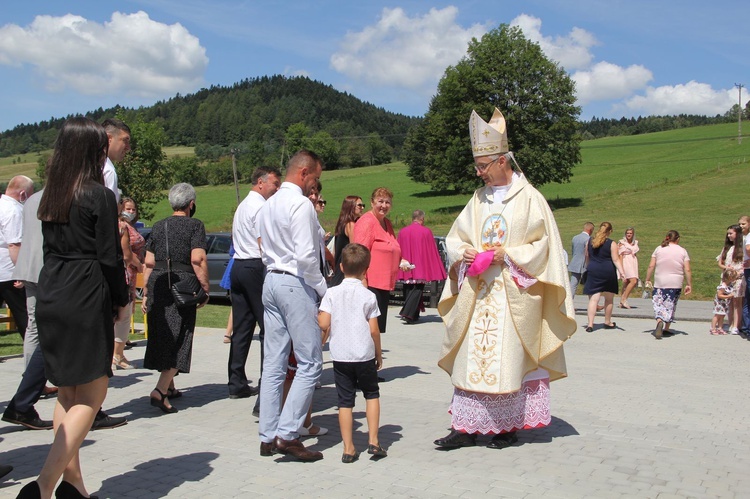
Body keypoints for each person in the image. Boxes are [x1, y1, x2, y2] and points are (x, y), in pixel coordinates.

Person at [434, 107, 576, 450]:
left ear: (502, 161)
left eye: (483, 166)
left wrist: (507, 255)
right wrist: (462, 253)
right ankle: (465, 427)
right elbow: (456, 237)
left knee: (508, 361)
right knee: (471, 359)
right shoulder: (478, 199)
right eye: (478, 166)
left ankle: (505, 427)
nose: (479, 173)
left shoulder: (530, 199)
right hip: (478, 294)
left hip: (513, 296)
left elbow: (545, 246)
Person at [17, 117, 129, 498]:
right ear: (91, 151)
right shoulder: (98, 194)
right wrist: (120, 299)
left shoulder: (52, 194)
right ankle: (43, 485)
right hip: (85, 290)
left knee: (67, 395)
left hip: (52, 288)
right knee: (92, 396)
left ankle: (73, 484)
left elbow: (51, 249)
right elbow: (110, 257)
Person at [256, 150, 325, 462]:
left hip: (270, 278)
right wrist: (324, 291)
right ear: (304, 172)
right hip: (294, 281)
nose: (315, 186)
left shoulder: (268, 205)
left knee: (274, 362)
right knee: (311, 362)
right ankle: (288, 433)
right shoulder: (300, 204)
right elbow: (307, 256)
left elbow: (263, 247)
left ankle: (268, 434)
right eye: (315, 179)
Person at [141, 183, 209, 413]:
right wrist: (205, 288)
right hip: (182, 284)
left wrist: (145, 292)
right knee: (181, 335)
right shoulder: (195, 225)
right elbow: (198, 260)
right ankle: (160, 390)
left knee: (163, 333)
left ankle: (170, 387)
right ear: (191, 204)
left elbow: (148, 262)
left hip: (158, 282)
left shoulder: (159, 226)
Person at [319, 243, 386, 463]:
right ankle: (374, 441)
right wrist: (378, 354)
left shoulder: (331, 293)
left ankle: (348, 447)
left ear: (340, 266)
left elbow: (324, 323)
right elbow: (374, 330)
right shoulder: (368, 296)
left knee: (345, 401)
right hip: (364, 353)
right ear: (366, 269)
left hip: (340, 355)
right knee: (371, 394)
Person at [228, 166, 281, 401]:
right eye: (274, 184)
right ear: (261, 182)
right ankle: (266, 384)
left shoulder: (242, 206)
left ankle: (236, 382)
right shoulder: (260, 207)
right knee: (268, 327)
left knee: (242, 328)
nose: (277, 188)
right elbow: (263, 242)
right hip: (254, 265)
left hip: (239, 265)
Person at [353, 187, 408, 334]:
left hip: (384, 284)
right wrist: (362, 279)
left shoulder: (387, 223)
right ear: (372, 202)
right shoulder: (367, 222)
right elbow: (359, 253)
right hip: (370, 284)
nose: (384, 205)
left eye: (387, 202)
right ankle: (369, 356)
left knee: (377, 328)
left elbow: (392, 247)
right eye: (380, 201)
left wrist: (401, 261)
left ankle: (373, 354)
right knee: (369, 329)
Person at [396, 210, 446, 323]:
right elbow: (431, 250)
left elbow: (398, 248)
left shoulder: (402, 231)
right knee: (417, 289)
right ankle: (407, 313)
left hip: (405, 265)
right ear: (422, 219)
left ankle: (414, 315)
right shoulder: (426, 231)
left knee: (408, 289)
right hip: (420, 266)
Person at [0, 175, 34, 340]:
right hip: (9, 272)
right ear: (22, 194)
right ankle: (35, 355)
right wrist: (22, 272)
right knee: (24, 316)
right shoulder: (13, 210)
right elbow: (14, 245)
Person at [113, 197, 145, 370]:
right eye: (127, 208)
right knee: (122, 315)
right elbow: (126, 253)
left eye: (133, 209)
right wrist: (140, 265)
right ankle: (116, 355)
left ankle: (120, 353)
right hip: (126, 271)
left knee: (126, 313)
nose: (131, 212)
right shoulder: (121, 226)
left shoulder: (130, 226)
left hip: (131, 273)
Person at [644, 230, 692, 339]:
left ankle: (659, 320)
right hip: (675, 282)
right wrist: (689, 284)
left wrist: (647, 279)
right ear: (678, 239)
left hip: (660, 281)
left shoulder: (659, 249)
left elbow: (651, 266)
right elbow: (687, 269)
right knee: (671, 304)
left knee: (659, 303)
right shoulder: (682, 251)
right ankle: (666, 327)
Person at [583, 222, 625, 332]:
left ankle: (590, 324)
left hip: (593, 269)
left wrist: (588, 268)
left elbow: (587, 256)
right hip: (607, 271)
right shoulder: (612, 243)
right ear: (610, 231)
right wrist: (622, 272)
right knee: (609, 299)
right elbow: (615, 259)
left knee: (593, 299)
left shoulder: (590, 241)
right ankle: (607, 321)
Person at [329, 196, 365, 287]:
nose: (362, 208)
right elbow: (355, 250)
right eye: (359, 205)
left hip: (338, 268)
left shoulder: (342, 224)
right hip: (346, 271)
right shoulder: (351, 225)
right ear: (351, 206)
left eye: (363, 205)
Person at [717, 224, 745, 335]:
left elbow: (744, 264)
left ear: (737, 234)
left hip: (738, 277)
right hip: (727, 278)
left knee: (737, 301)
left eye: (731, 233)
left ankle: (736, 325)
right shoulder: (727, 248)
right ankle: (730, 322)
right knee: (729, 302)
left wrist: (738, 273)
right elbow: (720, 262)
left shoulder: (742, 248)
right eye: (728, 233)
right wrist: (726, 268)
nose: (729, 236)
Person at [101, 118, 131, 203]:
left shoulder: (86, 165)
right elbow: (107, 212)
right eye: (125, 140)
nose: (128, 148)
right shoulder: (108, 170)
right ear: (108, 139)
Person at [568, 222, 593, 297]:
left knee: (573, 285)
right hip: (585, 264)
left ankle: (569, 304)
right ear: (590, 230)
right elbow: (589, 253)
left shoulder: (575, 237)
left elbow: (573, 251)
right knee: (590, 284)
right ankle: (593, 302)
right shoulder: (588, 239)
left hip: (575, 262)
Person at [710, 269, 738, 335]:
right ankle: (713, 328)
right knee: (717, 315)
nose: (734, 279)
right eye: (733, 278)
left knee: (722, 315)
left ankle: (720, 328)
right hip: (720, 303)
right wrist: (729, 296)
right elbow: (719, 295)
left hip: (725, 303)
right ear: (728, 278)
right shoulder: (723, 286)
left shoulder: (729, 285)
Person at [617, 227, 639, 309]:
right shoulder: (622, 243)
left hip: (633, 262)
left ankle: (622, 301)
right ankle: (624, 298)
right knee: (633, 281)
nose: (629, 235)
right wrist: (621, 268)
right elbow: (620, 255)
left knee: (627, 282)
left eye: (630, 233)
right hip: (626, 262)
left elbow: (635, 253)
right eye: (627, 233)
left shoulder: (635, 243)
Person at [739, 216, 750, 335]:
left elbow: (748, 248)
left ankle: (747, 327)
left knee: (747, 299)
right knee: (747, 299)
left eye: (744, 224)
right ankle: (747, 327)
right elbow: (747, 249)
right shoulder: (745, 237)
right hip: (747, 268)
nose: (741, 226)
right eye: (740, 224)